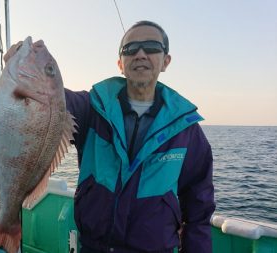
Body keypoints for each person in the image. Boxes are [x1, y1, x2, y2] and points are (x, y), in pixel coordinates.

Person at [64, 20, 216, 252]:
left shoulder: (186, 130)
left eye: (152, 47)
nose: (141, 54)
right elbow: (50, 100)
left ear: (166, 61)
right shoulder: (90, 109)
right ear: (120, 63)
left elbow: (199, 208)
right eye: (130, 49)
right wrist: (23, 65)